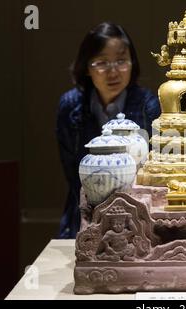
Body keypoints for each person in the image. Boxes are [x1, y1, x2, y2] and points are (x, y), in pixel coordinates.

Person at [56, 22, 161, 239]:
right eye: (102, 62)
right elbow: (71, 171)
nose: (113, 71)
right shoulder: (70, 105)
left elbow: (153, 170)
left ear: (132, 63)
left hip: (138, 215)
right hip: (83, 209)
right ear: (87, 67)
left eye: (121, 61)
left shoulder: (148, 104)